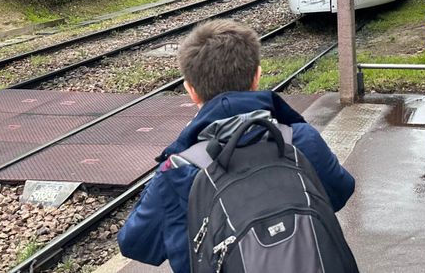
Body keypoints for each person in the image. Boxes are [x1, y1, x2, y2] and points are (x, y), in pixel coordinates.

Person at [118, 19, 356, 273]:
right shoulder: (299, 139)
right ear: (257, 76)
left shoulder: (178, 170)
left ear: (191, 90)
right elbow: (340, 190)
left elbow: (135, 243)